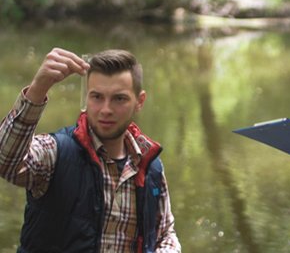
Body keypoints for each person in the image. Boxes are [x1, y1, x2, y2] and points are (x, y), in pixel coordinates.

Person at [0, 48, 181, 252]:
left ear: (139, 101)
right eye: (96, 97)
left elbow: (165, 233)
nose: (105, 109)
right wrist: (37, 90)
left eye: (119, 99)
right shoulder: (55, 152)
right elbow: (6, 163)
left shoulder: (150, 165)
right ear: (86, 97)